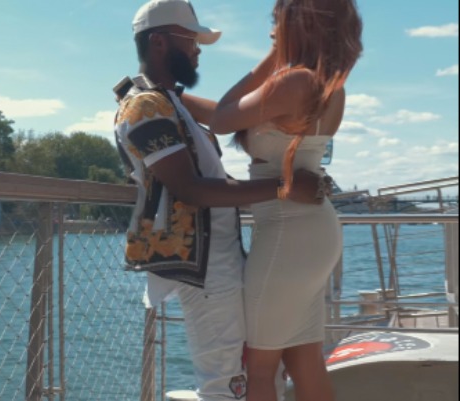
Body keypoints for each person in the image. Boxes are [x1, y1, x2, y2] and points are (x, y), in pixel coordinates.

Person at [114, 1, 331, 399]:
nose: (198, 49)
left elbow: (215, 165)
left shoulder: (168, 103)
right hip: (205, 271)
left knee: (246, 375)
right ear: (159, 42)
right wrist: (285, 186)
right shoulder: (145, 107)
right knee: (226, 384)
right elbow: (192, 189)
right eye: (191, 39)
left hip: (220, 261)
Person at [209, 0, 363, 400]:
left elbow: (221, 118)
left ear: (300, 23)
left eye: (277, 21)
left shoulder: (294, 82)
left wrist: (273, 57)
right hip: (311, 231)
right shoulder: (329, 86)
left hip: (286, 235)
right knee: (304, 359)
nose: (271, 31)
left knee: (260, 370)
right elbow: (231, 113)